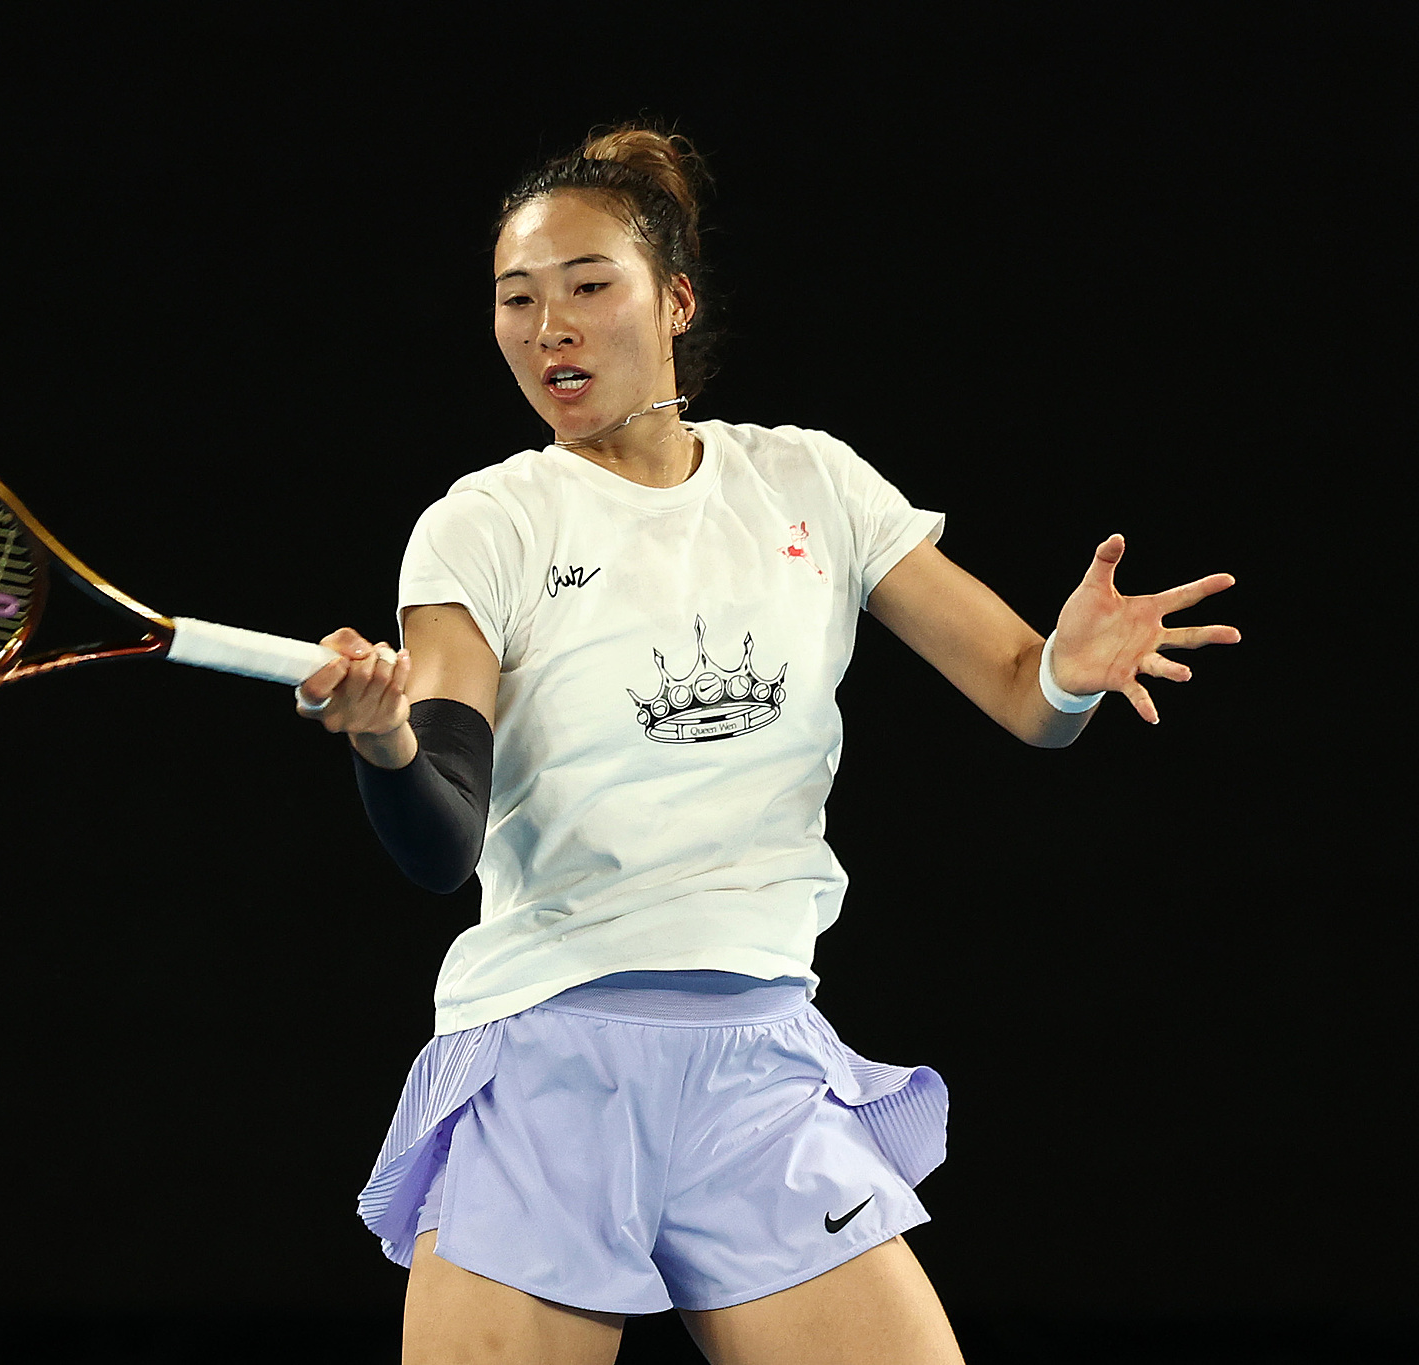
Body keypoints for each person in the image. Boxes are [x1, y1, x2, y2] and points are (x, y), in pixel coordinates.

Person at [295, 124, 1239, 1365]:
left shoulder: (810, 485)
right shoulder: (485, 523)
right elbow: (443, 828)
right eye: (514, 300)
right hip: (548, 1064)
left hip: (759, 1067)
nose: (549, 328)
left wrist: (1065, 668)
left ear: (673, 300)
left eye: (588, 287)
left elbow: (1020, 691)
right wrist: (384, 748)